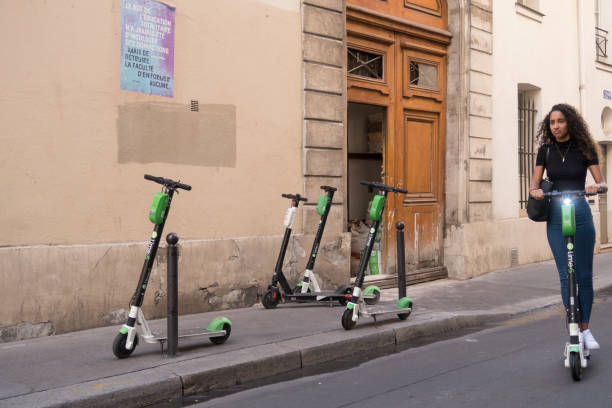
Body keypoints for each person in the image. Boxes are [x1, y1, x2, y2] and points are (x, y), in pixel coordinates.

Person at [530, 103, 607, 349]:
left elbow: (601, 181)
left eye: (560, 121)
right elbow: (534, 185)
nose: (556, 126)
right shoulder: (545, 151)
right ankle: (573, 325)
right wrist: (536, 191)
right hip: (555, 214)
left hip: (580, 212)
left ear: (569, 122)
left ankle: (585, 329)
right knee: (566, 275)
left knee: (583, 275)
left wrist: (596, 186)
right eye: (552, 122)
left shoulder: (584, 148)